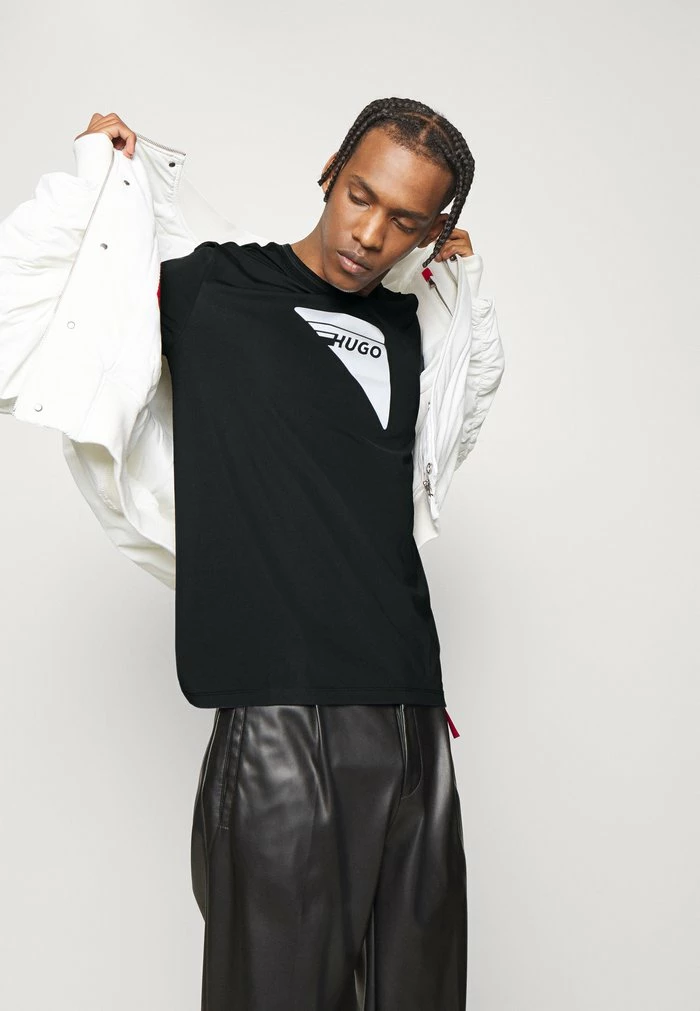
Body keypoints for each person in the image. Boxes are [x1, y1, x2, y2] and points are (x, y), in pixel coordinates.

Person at [1, 96, 506, 1010]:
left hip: (414, 713)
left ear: (433, 230)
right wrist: (91, 184)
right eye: (360, 196)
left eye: (405, 221)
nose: (370, 234)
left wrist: (455, 287)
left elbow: (450, 431)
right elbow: (43, 306)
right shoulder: (211, 289)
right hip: (280, 715)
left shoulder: (410, 330)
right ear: (330, 173)